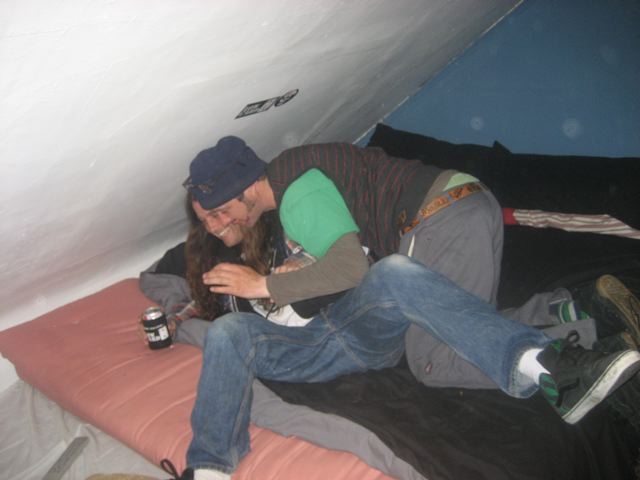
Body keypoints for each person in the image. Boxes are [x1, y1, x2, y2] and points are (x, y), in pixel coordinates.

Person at [171, 139, 640, 480]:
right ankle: (209, 468)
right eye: (205, 220)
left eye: (217, 213)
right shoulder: (293, 198)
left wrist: (264, 284)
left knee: (434, 357)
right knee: (227, 331)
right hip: (315, 339)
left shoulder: (297, 192)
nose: (213, 227)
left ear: (245, 188)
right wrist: (278, 277)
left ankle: (552, 366)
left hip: (402, 266)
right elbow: (345, 253)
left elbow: (352, 267)